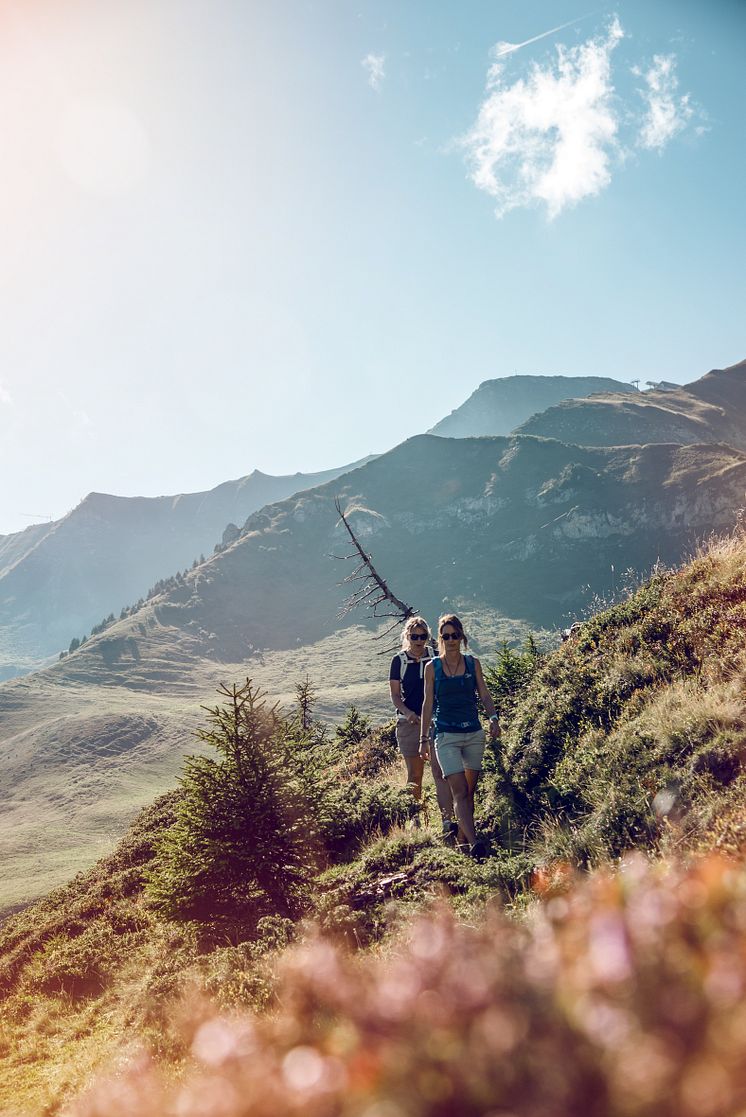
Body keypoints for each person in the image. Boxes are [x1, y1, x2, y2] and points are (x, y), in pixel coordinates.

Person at [419, 614, 500, 860]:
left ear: (461, 636)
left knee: (469, 791)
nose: (451, 640)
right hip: (445, 737)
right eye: (446, 636)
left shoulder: (473, 663)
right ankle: (476, 844)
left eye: (455, 635)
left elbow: (484, 694)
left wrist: (493, 718)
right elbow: (427, 703)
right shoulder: (431, 667)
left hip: (474, 734)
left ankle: (464, 840)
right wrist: (423, 739)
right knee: (459, 790)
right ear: (440, 639)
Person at [389, 616, 457, 839]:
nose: (419, 641)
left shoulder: (435, 657)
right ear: (407, 637)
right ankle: (414, 819)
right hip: (409, 725)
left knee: (440, 772)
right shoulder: (398, 661)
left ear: (428, 637)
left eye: (423, 636)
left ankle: (447, 820)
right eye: (414, 637)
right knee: (415, 775)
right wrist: (408, 714)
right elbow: (395, 696)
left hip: (436, 722)